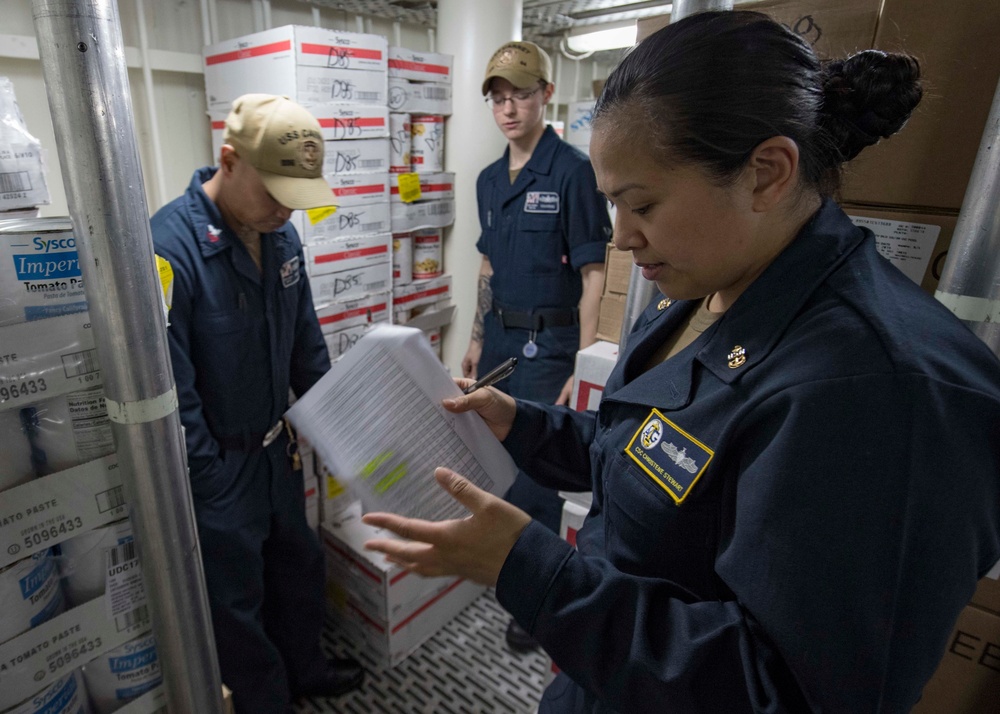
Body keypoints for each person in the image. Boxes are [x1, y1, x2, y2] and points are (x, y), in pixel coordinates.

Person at [362, 11, 1000, 713]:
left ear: (767, 173)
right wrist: (523, 425)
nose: (623, 237)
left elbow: (783, 693)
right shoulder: (700, 286)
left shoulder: (885, 392)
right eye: (613, 206)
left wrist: (533, 570)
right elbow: (648, 457)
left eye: (642, 204)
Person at [151, 94, 363, 714]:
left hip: (278, 451)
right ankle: (268, 702)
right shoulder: (169, 249)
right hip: (219, 466)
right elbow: (173, 393)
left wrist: (341, 432)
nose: (282, 211)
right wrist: (211, 479)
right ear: (229, 160)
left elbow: (306, 345)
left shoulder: (282, 238)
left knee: (298, 566)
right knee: (236, 602)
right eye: (273, 192)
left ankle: (307, 669)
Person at [463, 40, 612, 651]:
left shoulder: (573, 172)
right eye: (498, 98)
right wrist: (474, 339)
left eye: (520, 95)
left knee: (536, 479)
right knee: (494, 461)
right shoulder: (488, 179)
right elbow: (487, 266)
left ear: (545, 95)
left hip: (548, 345)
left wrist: (580, 362)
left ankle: (536, 602)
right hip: (498, 336)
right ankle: (505, 567)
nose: (508, 108)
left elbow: (594, 271)